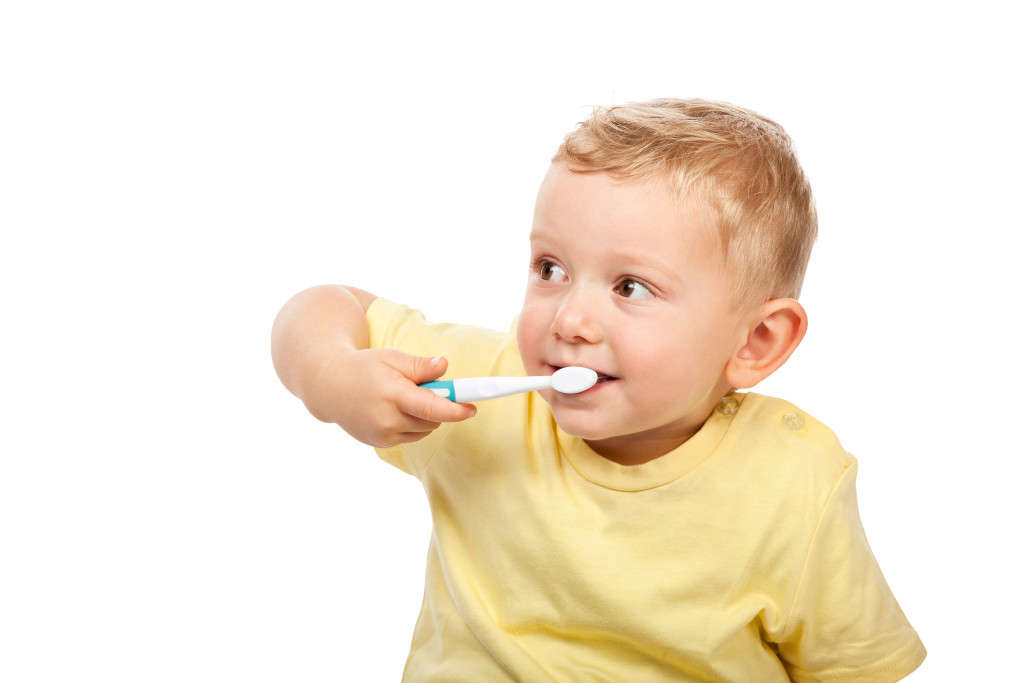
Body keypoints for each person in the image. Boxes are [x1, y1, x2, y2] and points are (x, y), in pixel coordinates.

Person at [271, 98, 926, 681]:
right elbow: (328, 305)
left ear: (755, 343)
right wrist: (333, 373)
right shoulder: (474, 399)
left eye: (630, 286)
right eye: (550, 268)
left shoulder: (795, 481)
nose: (570, 319)